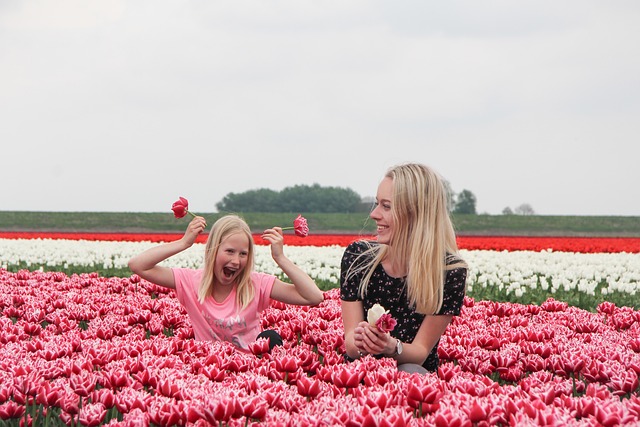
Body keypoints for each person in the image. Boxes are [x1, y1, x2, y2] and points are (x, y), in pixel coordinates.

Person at [128, 214, 324, 352]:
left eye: (243, 254)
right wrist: (184, 243)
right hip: (210, 369)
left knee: (271, 337)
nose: (236, 261)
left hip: (252, 370)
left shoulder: (256, 284)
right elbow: (138, 265)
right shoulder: (191, 282)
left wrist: (280, 258)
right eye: (229, 251)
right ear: (213, 249)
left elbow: (313, 296)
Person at [340, 162, 468, 374]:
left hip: (413, 379)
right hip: (362, 371)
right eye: (377, 203)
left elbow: (420, 351)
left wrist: (391, 347)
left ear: (415, 214)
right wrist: (362, 341)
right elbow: (351, 347)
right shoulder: (359, 257)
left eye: (386, 206)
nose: (374, 214)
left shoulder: (449, 272)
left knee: (410, 371)